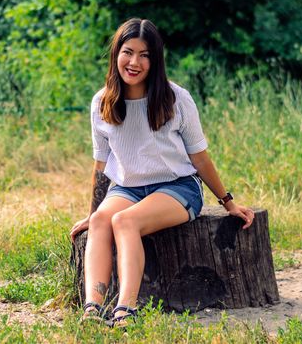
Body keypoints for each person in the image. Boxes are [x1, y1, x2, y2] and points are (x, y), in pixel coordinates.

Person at [70, 18, 254, 327]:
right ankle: (93, 308)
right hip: (127, 188)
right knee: (103, 220)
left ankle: (125, 310)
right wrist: (93, 211)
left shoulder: (175, 98)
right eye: (128, 52)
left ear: (155, 60)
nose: (135, 62)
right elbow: (100, 165)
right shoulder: (102, 102)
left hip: (178, 187)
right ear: (116, 53)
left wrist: (228, 202)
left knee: (125, 221)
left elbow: (200, 157)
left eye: (145, 55)